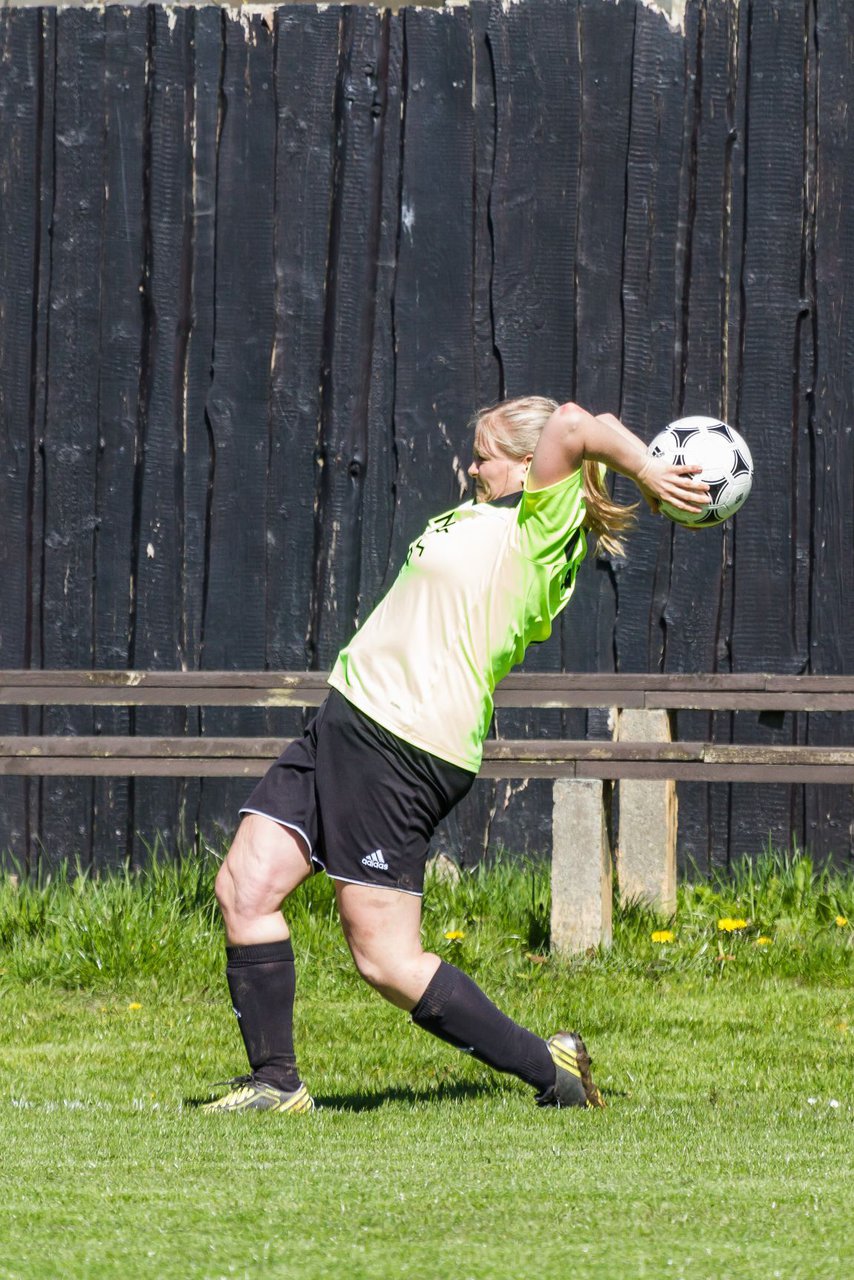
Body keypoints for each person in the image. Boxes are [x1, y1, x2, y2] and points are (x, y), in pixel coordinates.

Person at [202, 398, 709, 1114]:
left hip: (402, 742)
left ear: (533, 468)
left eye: (485, 454)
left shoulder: (538, 528)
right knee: (245, 890)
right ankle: (274, 1084)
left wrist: (649, 471)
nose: (472, 466)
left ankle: (551, 1069)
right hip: (347, 719)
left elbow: (573, 422)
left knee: (385, 960)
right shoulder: (489, 518)